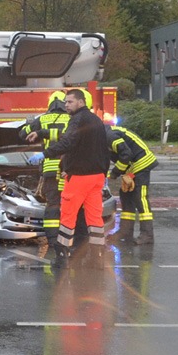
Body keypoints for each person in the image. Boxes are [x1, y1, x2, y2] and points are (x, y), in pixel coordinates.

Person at [41, 88, 110, 268]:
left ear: (81, 102)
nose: (66, 105)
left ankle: (61, 256)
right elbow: (103, 147)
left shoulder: (77, 119)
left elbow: (68, 142)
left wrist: (46, 153)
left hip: (79, 177)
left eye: (70, 102)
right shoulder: (96, 120)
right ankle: (97, 258)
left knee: (67, 217)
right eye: (65, 102)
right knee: (95, 219)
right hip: (97, 177)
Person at [20, 91, 70, 249]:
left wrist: (29, 125)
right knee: (70, 204)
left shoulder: (42, 119)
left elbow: (23, 134)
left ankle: (53, 240)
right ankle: (69, 238)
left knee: (52, 205)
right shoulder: (72, 119)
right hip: (69, 169)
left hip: (50, 170)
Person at [106, 125, 159, 244]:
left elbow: (126, 154)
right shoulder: (102, 137)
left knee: (140, 198)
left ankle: (147, 234)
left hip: (142, 163)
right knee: (126, 196)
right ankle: (125, 233)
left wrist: (114, 173)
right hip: (131, 167)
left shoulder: (109, 136)